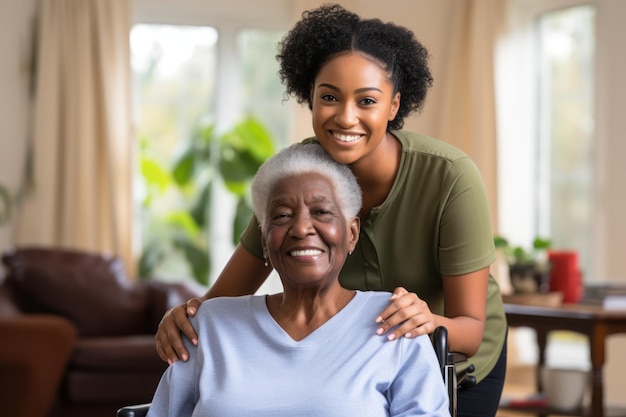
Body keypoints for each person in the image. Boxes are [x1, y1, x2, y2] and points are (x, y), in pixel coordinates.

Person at [155, 4, 507, 416]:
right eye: (329, 97)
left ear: (393, 106)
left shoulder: (450, 177)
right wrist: (185, 318)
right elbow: (223, 300)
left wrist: (427, 320)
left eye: (367, 100)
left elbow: (470, 327)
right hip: (346, 353)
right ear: (310, 97)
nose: (346, 116)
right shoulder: (295, 177)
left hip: (455, 354)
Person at [146, 142, 450, 417]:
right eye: (281, 216)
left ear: (352, 233)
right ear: (264, 242)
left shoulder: (397, 322)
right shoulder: (208, 326)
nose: (302, 228)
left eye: (321, 212)